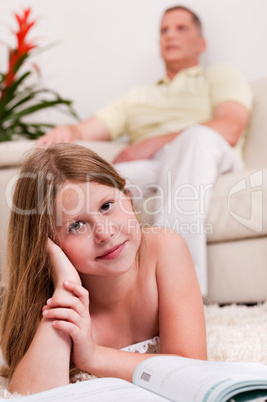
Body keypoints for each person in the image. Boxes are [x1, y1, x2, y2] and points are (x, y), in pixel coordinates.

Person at [36, 6, 253, 295]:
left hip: (210, 156)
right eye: (164, 30)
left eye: (181, 28)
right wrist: (67, 134)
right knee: (101, 182)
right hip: (156, 167)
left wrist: (154, 142)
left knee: (195, 138)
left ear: (201, 44)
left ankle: (179, 291)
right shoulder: (137, 97)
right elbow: (85, 130)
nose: (169, 35)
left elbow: (230, 126)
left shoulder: (219, 75)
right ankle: (69, 291)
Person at [0, 143, 206, 396]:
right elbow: (31, 395)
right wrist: (65, 286)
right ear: (49, 245)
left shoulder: (164, 248)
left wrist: (94, 357)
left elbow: (192, 370)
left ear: (128, 200)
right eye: (76, 226)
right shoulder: (54, 301)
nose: (105, 233)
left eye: (107, 206)